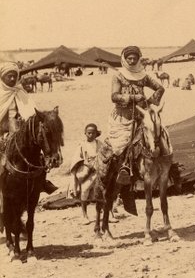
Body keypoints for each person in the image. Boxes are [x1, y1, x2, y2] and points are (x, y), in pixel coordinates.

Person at [0, 61, 58, 229]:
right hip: (2, 136)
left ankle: (42, 183)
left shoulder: (21, 92)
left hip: (21, 135)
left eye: (14, 75)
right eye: (8, 75)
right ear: (2, 77)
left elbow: (33, 114)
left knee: (38, 156)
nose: (11, 78)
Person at [106, 46, 165, 185]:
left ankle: (166, 163)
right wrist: (133, 97)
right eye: (129, 58)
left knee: (157, 132)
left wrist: (149, 102)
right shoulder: (118, 75)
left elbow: (160, 88)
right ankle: (124, 167)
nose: (132, 61)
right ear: (124, 59)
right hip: (123, 116)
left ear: (139, 59)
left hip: (141, 114)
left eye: (134, 58)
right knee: (123, 143)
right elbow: (114, 96)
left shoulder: (143, 75)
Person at [67, 123, 118, 224]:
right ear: (85, 133)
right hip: (88, 172)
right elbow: (76, 159)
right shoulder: (82, 146)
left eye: (93, 133)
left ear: (96, 134)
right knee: (85, 189)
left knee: (106, 191)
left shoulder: (101, 144)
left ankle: (110, 214)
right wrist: (86, 163)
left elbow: (107, 156)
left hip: (100, 172)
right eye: (89, 133)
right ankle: (84, 215)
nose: (91, 135)